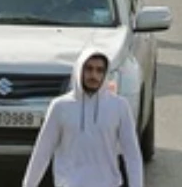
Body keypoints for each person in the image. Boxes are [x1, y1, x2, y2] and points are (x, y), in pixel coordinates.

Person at [21, 48, 143, 187]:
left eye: (99, 70)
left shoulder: (119, 106)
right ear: (79, 70)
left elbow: (132, 155)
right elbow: (42, 151)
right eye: (89, 69)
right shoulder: (60, 106)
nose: (94, 75)